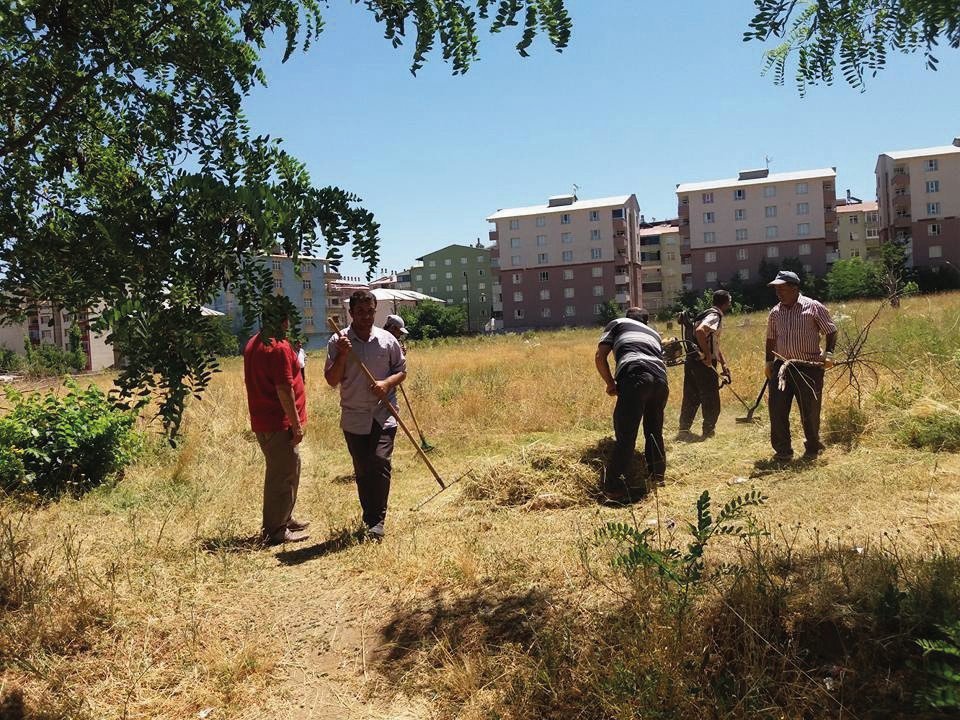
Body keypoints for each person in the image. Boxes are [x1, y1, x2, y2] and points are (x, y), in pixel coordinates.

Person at [325, 290, 407, 540]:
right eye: (360, 312)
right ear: (351, 313)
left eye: (370, 311)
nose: (365, 316)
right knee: (362, 469)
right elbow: (331, 380)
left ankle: (377, 521)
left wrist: (386, 384)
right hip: (354, 416)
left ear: (374, 311)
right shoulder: (337, 341)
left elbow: (401, 371)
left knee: (380, 462)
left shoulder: (387, 340)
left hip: (384, 413)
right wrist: (342, 354)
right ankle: (370, 515)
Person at [243, 295, 310, 545]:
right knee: (281, 475)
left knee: (290, 469)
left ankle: (285, 516)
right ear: (284, 318)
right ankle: (275, 530)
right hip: (278, 422)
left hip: (266, 421)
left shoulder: (254, 341)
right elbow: (284, 388)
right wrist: (296, 424)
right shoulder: (279, 346)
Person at [594, 307, 669, 501]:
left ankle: (614, 488)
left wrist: (610, 383)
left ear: (629, 317)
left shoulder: (618, 323)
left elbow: (600, 356)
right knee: (654, 431)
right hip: (661, 381)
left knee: (626, 434)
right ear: (645, 321)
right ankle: (657, 478)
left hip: (636, 375)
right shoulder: (654, 333)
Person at [764, 270, 838, 461]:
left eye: (782, 288)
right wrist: (768, 362)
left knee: (810, 410)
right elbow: (771, 339)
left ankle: (813, 447)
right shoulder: (775, 312)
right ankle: (783, 451)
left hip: (809, 367)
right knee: (777, 409)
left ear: (794, 288)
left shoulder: (813, 307)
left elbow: (831, 331)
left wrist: (828, 354)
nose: (778, 293)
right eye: (776, 289)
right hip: (782, 368)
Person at [677, 289, 733, 441]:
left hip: (692, 361)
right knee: (711, 398)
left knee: (691, 396)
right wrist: (708, 356)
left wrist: (723, 364)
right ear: (726, 303)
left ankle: (684, 429)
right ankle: (708, 431)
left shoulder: (704, 313)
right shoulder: (715, 316)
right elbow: (701, 332)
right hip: (703, 362)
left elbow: (712, 342)